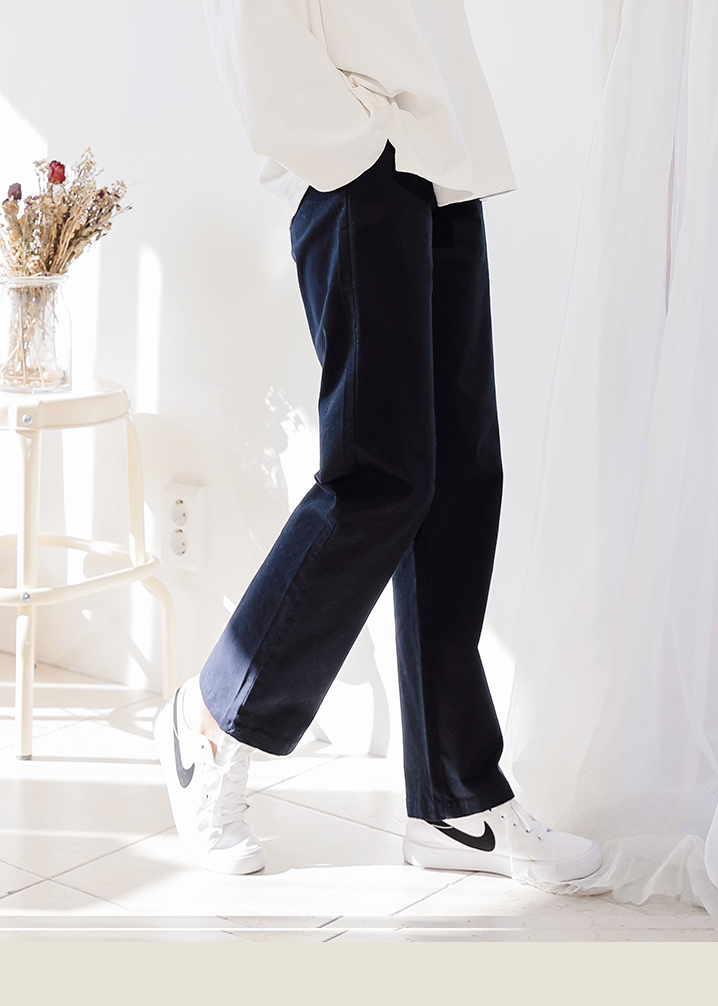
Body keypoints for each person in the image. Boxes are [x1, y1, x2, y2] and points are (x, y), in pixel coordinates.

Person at [153, 0, 602, 883]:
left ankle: (455, 802)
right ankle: (211, 719)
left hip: (440, 159)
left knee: (459, 481)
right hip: (362, 168)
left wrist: (414, 140)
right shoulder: (355, 155)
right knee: (379, 477)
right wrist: (354, 149)